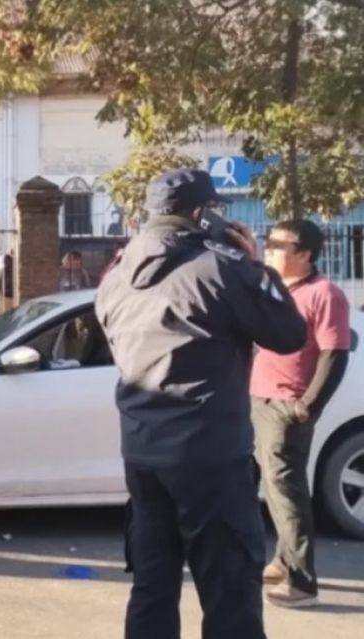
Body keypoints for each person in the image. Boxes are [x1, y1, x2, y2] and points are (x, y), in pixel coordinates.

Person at [96, 168, 308, 639]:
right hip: (209, 454)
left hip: (143, 453)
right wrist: (256, 264)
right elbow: (290, 335)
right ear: (201, 212)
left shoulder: (117, 275)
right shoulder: (223, 267)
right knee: (230, 588)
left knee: (152, 585)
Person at [252, 219, 350, 608]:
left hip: (287, 405)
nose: (269, 248)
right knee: (274, 490)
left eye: (279, 244)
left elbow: (335, 354)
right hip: (260, 398)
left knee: (287, 490)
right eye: (268, 241)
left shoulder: (325, 294)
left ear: (305, 254)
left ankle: (302, 581)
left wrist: (308, 404)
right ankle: (282, 560)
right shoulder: (277, 288)